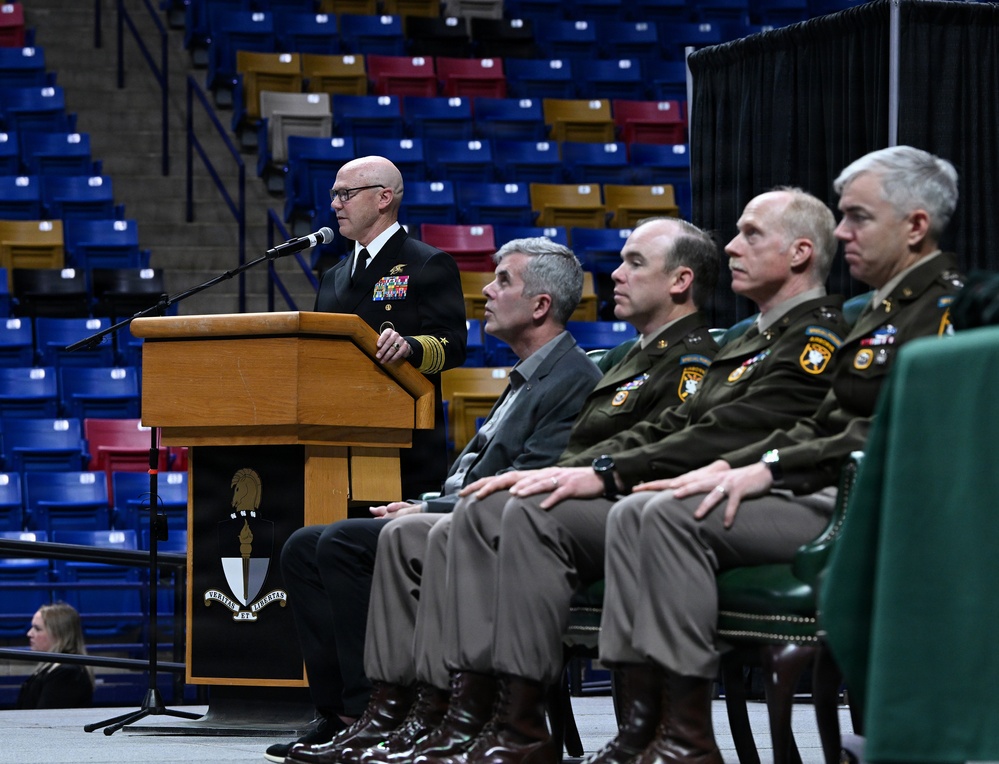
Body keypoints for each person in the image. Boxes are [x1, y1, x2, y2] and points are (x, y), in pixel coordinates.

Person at [283, 193, 845, 764]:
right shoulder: (718, 344)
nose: (732, 246)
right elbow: (667, 434)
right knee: (431, 526)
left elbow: (724, 433)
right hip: (661, 488)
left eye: (634, 262)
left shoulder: (773, 343)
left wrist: (590, 474)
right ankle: (443, 715)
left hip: (756, 496)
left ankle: (541, 724)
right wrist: (580, 472)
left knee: (516, 513)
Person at [591, 145, 965, 764]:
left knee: (661, 515)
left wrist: (763, 469)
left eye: (858, 217)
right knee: (638, 511)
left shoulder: (947, 310)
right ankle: (648, 730)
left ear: (916, 225)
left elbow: (892, 435)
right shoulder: (875, 311)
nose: (841, 232)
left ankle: (685, 738)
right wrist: (736, 467)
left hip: (871, 502)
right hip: (818, 482)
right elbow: (818, 424)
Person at [269, 236, 602, 763]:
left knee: (341, 543)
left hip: (492, 531)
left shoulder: (573, 378)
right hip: (453, 515)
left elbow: (526, 480)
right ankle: (343, 714)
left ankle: (384, 708)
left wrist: (428, 510)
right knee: (303, 547)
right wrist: (426, 503)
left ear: (541, 305)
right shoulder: (527, 375)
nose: (487, 292)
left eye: (503, 281)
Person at [266, 155, 467, 761]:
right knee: (316, 557)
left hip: (407, 452)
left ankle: (376, 707)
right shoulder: (331, 272)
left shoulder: (427, 262)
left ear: (384, 197)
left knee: (355, 566)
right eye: (332, 194)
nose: (333, 204)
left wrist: (413, 347)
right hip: (339, 447)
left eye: (345, 194)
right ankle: (336, 710)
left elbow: (453, 343)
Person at [17, 603, 94, 710]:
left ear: (58, 634)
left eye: (37, 629)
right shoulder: (50, 667)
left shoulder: (67, 673)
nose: (29, 634)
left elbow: (44, 721)